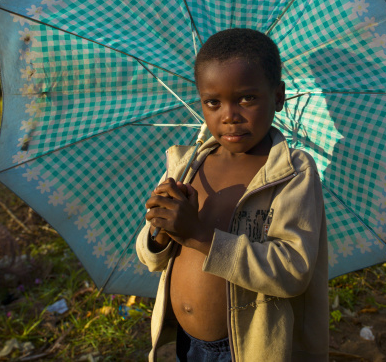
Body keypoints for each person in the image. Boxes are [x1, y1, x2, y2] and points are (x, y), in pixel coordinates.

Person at [136, 28, 329, 362]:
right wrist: (160, 230)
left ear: (279, 96)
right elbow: (151, 258)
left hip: (247, 349)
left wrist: (197, 234)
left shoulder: (292, 172)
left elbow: (292, 271)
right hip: (186, 341)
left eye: (247, 98)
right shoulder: (185, 164)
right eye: (213, 102)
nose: (229, 115)